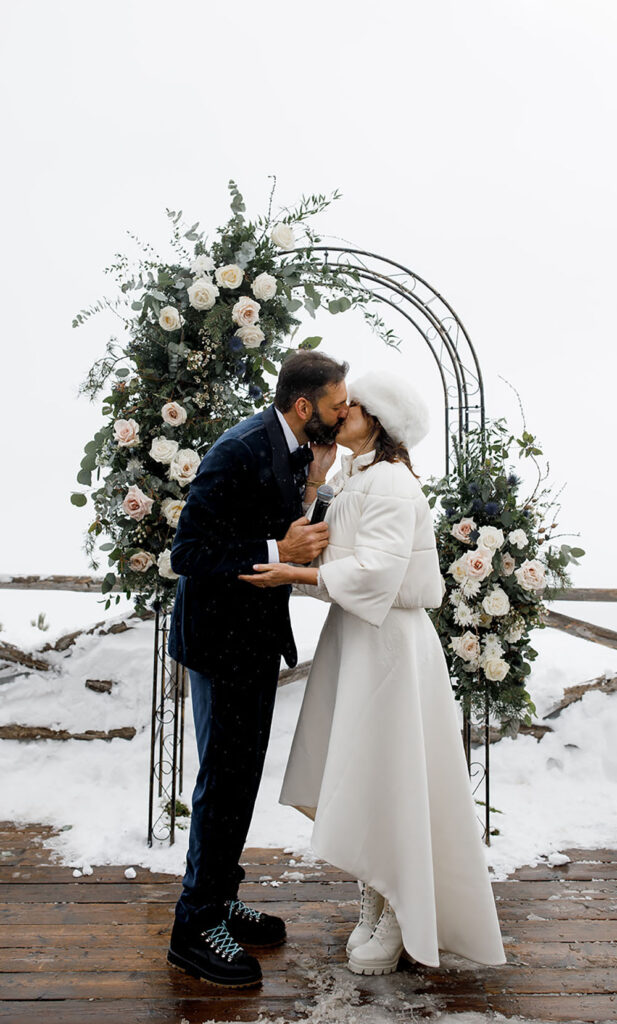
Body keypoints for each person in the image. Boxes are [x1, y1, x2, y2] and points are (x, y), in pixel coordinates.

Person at [240, 370, 507, 974]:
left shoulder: (389, 482)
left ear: (378, 422)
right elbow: (333, 551)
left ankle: (398, 911)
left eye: (354, 405)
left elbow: (377, 576)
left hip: (388, 645)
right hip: (357, 640)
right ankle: (376, 892)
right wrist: (313, 486)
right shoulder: (354, 476)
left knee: (390, 773)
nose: (342, 409)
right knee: (364, 774)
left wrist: (291, 575)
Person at [166, 350, 349, 987]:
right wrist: (277, 548)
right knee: (224, 780)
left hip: (252, 641)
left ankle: (220, 897)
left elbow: (284, 524)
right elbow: (187, 550)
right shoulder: (239, 447)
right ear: (306, 407)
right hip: (220, 644)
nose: (344, 412)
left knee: (240, 778)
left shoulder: (293, 444)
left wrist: (314, 489)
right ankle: (193, 927)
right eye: (336, 405)